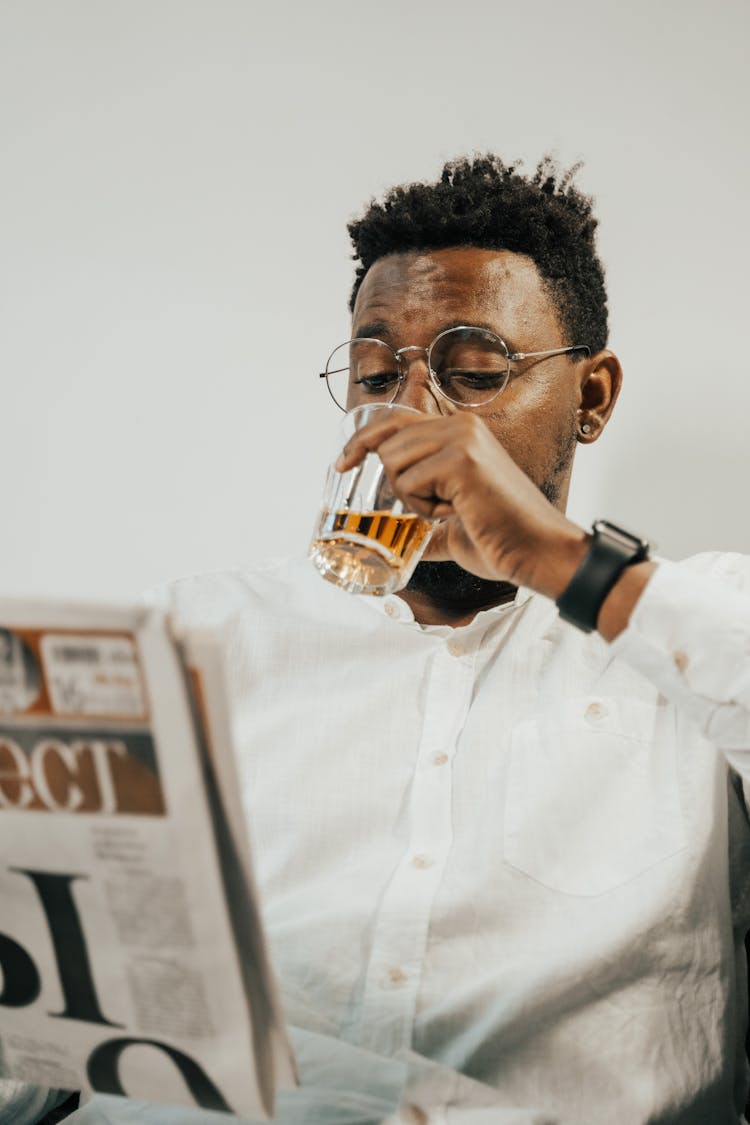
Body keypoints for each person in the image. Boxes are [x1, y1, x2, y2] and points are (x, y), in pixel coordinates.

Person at [21, 154, 750, 1123]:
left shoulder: (686, 630)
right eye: (376, 374)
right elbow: (44, 1022)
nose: (412, 415)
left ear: (593, 398)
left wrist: (556, 560)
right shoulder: (182, 636)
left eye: (476, 372)